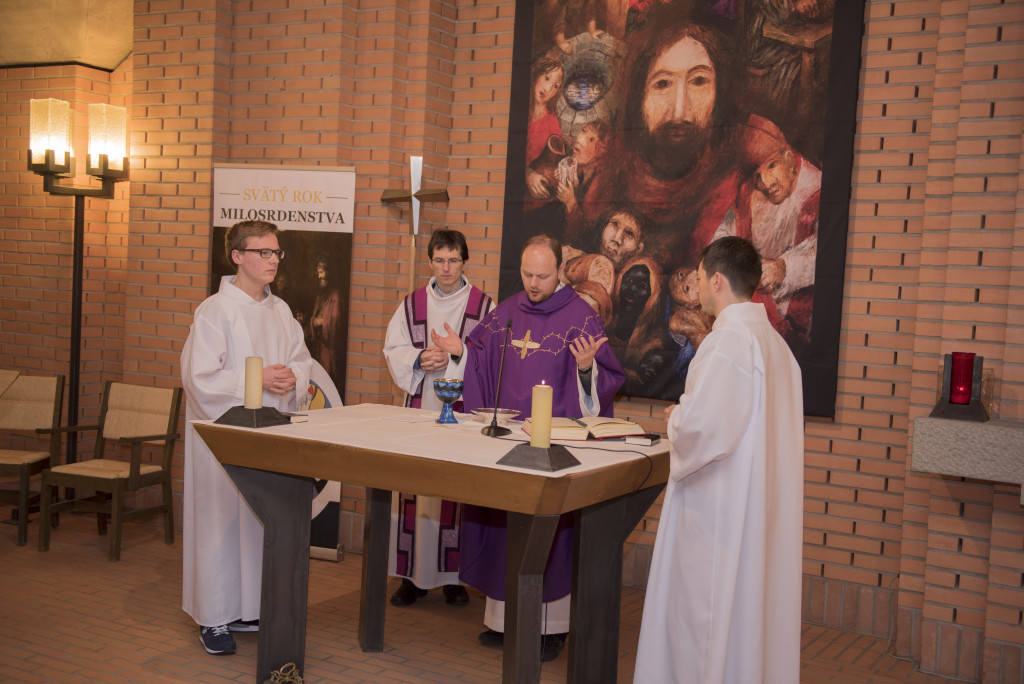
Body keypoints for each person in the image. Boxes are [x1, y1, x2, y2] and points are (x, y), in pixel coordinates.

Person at [633, 236, 803, 684]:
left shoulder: (728, 343)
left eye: (701, 275)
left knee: (703, 625)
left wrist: (678, 418)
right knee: (748, 620)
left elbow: (703, 432)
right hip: (756, 515)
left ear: (718, 281)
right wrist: (692, 415)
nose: (697, 284)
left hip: (718, 518)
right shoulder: (778, 348)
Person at [460, 234, 625, 661]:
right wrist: (459, 353)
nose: (533, 284)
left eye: (542, 276)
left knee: (551, 535)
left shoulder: (581, 315)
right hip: (510, 441)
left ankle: (552, 629)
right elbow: (478, 357)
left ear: (560, 272)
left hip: (555, 446)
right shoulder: (507, 312)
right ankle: (503, 621)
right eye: (527, 274)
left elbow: (606, 380)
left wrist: (587, 369)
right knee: (508, 526)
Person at [180, 220, 314, 656]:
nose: (273, 260)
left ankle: (249, 608)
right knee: (220, 523)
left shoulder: (281, 311)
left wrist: (292, 379)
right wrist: (256, 381)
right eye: (263, 252)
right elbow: (199, 379)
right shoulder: (215, 311)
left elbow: (302, 361)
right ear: (237, 256)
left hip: (268, 435)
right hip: (223, 439)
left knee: (257, 524)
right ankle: (213, 617)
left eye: (277, 253)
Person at [382, 229, 494, 607]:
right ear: (430, 262)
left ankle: (453, 578)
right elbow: (392, 349)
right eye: (439, 260)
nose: (446, 268)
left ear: (465, 261)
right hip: (420, 407)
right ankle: (411, 578)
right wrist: (419, 359)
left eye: (453, 260)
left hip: (462, 414)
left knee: (455, 492)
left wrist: (458, 356)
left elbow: (493, 360)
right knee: (415, 488)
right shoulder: (412, 304)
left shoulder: (484, 307)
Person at [710, 114, 820, 351]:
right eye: (758, 175)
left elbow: (827, 252)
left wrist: (784, 268)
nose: (767, 182)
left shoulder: (816, 190)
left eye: (772, 166)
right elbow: (721, 233)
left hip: (797, 320)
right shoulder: (747, 192)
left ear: (788, 157)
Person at [307, 256, 344, 379]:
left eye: (321, 272)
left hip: (329, 345)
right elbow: (315, 314)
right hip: (319, 344)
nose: (319, 277)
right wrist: (313, 321)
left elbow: (336, 321)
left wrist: (322, 322)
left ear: (328, 273)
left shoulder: (336, 295)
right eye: (318, 273)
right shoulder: (320, 295)